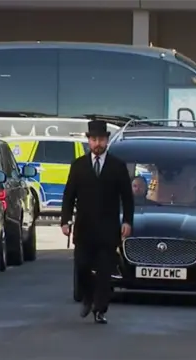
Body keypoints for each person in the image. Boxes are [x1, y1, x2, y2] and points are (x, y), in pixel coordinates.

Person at [60, 120, 134, 325]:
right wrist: (65, 221)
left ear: (107, 140)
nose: (97, 143)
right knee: (82, 267)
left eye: (101, 139)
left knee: (104, 272)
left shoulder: (117, 167)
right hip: (84, 229)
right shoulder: (79, 166)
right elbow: (68, 196)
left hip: (108, 230)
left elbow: (127, 197)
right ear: (88, 141)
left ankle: (100, 309)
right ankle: (87, 297)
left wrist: (127, 221)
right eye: (94, 139)